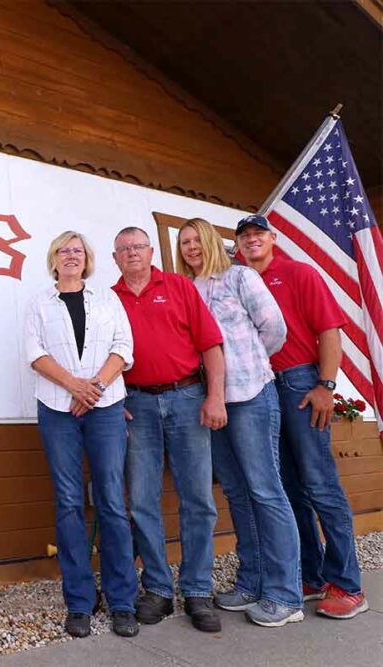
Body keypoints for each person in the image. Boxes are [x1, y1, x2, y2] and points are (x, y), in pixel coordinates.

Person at [236, 213, 368, 619]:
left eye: (259, 233)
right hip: (260, 385)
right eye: (245, 236)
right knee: (288, 485)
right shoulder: (239, 281)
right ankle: (310, 574)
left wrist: (326, 386)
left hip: (299, 382)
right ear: (237, 244)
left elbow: (330, 331)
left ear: (273, 238)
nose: (252, 239)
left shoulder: (299, 274)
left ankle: (348, 586)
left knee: (320, 484)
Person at [176, 217, 303, 627]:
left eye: (197, 239)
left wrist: (247, 363)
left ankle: (286, 594)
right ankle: (253, 580)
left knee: (266, 489)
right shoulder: (187, 290)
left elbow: (274, 328)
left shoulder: (240, 277)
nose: (192, 247)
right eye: (184, 242)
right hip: (211, 403)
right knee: (237, 491)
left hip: (250, 394)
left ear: (212, 241)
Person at [24, 230, 140, 639]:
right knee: (69, 501)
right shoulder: (40, 303)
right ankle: (79, 599)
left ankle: (122, 599)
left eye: (78, 251)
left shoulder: (107, 299)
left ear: (87, 259)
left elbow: (124, 348)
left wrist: (93, 389)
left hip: (105, 408)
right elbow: (34, 353)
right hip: (58, 411)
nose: (71, 256)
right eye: (64, 251)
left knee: (110, 499)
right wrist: (74, 386)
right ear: (53, 258)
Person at [111, 226, 226, 633]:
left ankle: (197, 589)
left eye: (138, 246)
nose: (131, 254)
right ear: (114, 258)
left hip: (187, 398)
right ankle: (157, 587)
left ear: (150, 251)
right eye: (123, 249)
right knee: (142, 498)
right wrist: (114, 402)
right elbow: (98, 355)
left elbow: (211, 344)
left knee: (198, 498)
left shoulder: (178, 286)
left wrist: (215, 397)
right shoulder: (109, 299)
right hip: (136, 404)